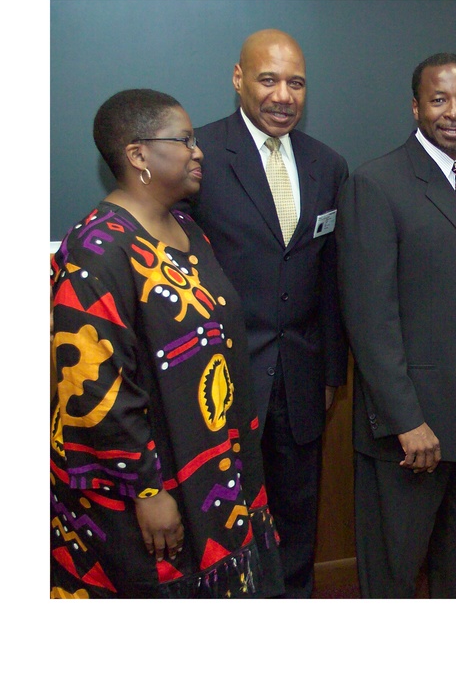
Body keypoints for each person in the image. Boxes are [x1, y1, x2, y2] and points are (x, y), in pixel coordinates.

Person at [50, 89, 282, 598]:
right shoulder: (97, 251)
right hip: (147, 493)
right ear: (138, 155)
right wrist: (148, 491)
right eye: (185, 140)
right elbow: (97, 394)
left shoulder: (185, 228)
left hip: (213, 467)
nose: (198, 152)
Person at [336, 53, 456, 598]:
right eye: (438, 99)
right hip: (413, 432)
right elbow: (369, 318)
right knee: (392, 576)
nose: (453, 112)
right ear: (415, 106)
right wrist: (405, 420)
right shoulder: (375, 183)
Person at [187, 29, 349, 597]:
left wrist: (332, 372)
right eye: (268, 79)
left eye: (296, 83)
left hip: (303, 380)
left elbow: (330, 277)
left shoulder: (327, 164)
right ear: (238, 78)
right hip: (221, 380)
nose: (284, 94)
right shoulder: (198, 156)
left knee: (297, 517)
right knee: (221, 523)